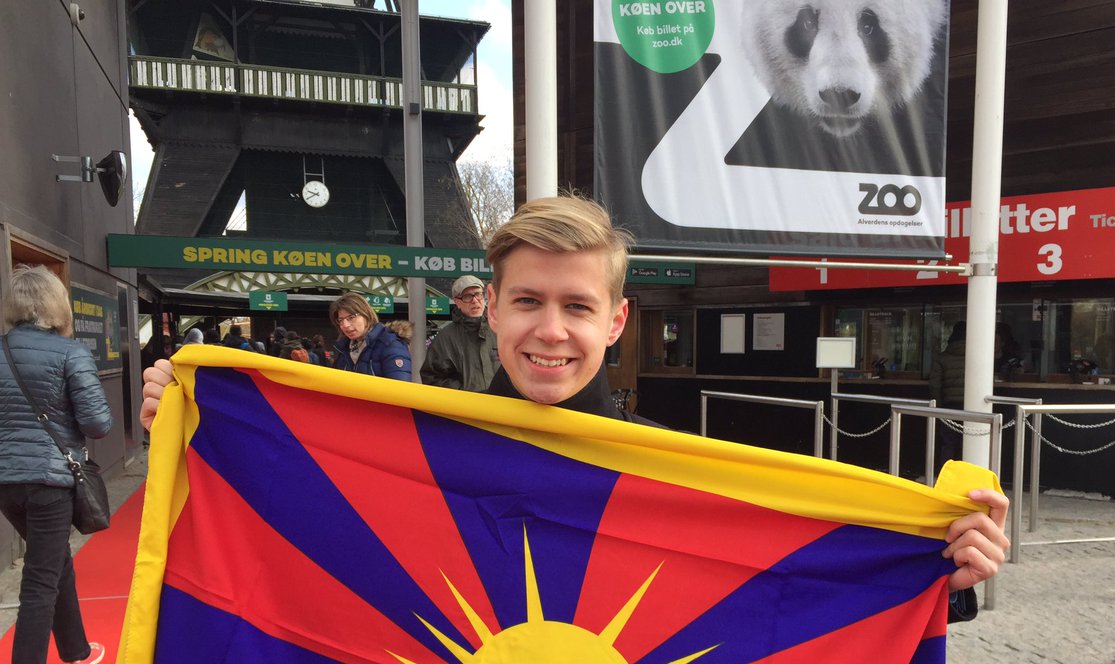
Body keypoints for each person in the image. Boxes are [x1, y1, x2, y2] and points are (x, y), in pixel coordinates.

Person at [142, 195, 1007, 595]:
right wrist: (196, 429)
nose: (550, 329)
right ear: (492, 306)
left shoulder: (673, 467)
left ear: (616, 320)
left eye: (577, 306)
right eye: (528, 301)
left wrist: (943, 563)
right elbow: (295, 531)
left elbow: (793, 582)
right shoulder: (415, 451)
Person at [1, 265, 112, 664]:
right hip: (50, 478)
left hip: (7, 481)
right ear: (56, 306)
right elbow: (98, 423)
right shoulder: (69, 352)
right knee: (40, 584)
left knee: (54, 562)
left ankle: (78, 653)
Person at [420, 275, 499, 391]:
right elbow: (431, 378)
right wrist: (463, 393)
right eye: (467, 296)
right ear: (457, 302)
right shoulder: (445, 338)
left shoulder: (500, 330)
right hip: (466, 407)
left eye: (478, 294)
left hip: (504, 407)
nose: (475, 300)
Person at [328, 292, 412, 380]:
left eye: (351, 318)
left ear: (366, 314)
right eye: (340, 320)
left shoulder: (390, 344)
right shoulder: (343, 349)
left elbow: (398, 388)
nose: (345, 325)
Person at [930, 320, 967, 469]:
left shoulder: (942, 358)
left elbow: (934, 385)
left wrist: (937, 407)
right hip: (972, 407)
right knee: (969, 442)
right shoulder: (978, 356)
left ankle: (945, 475)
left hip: (949, 406)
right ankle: (965, 476)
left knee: (948, 443)